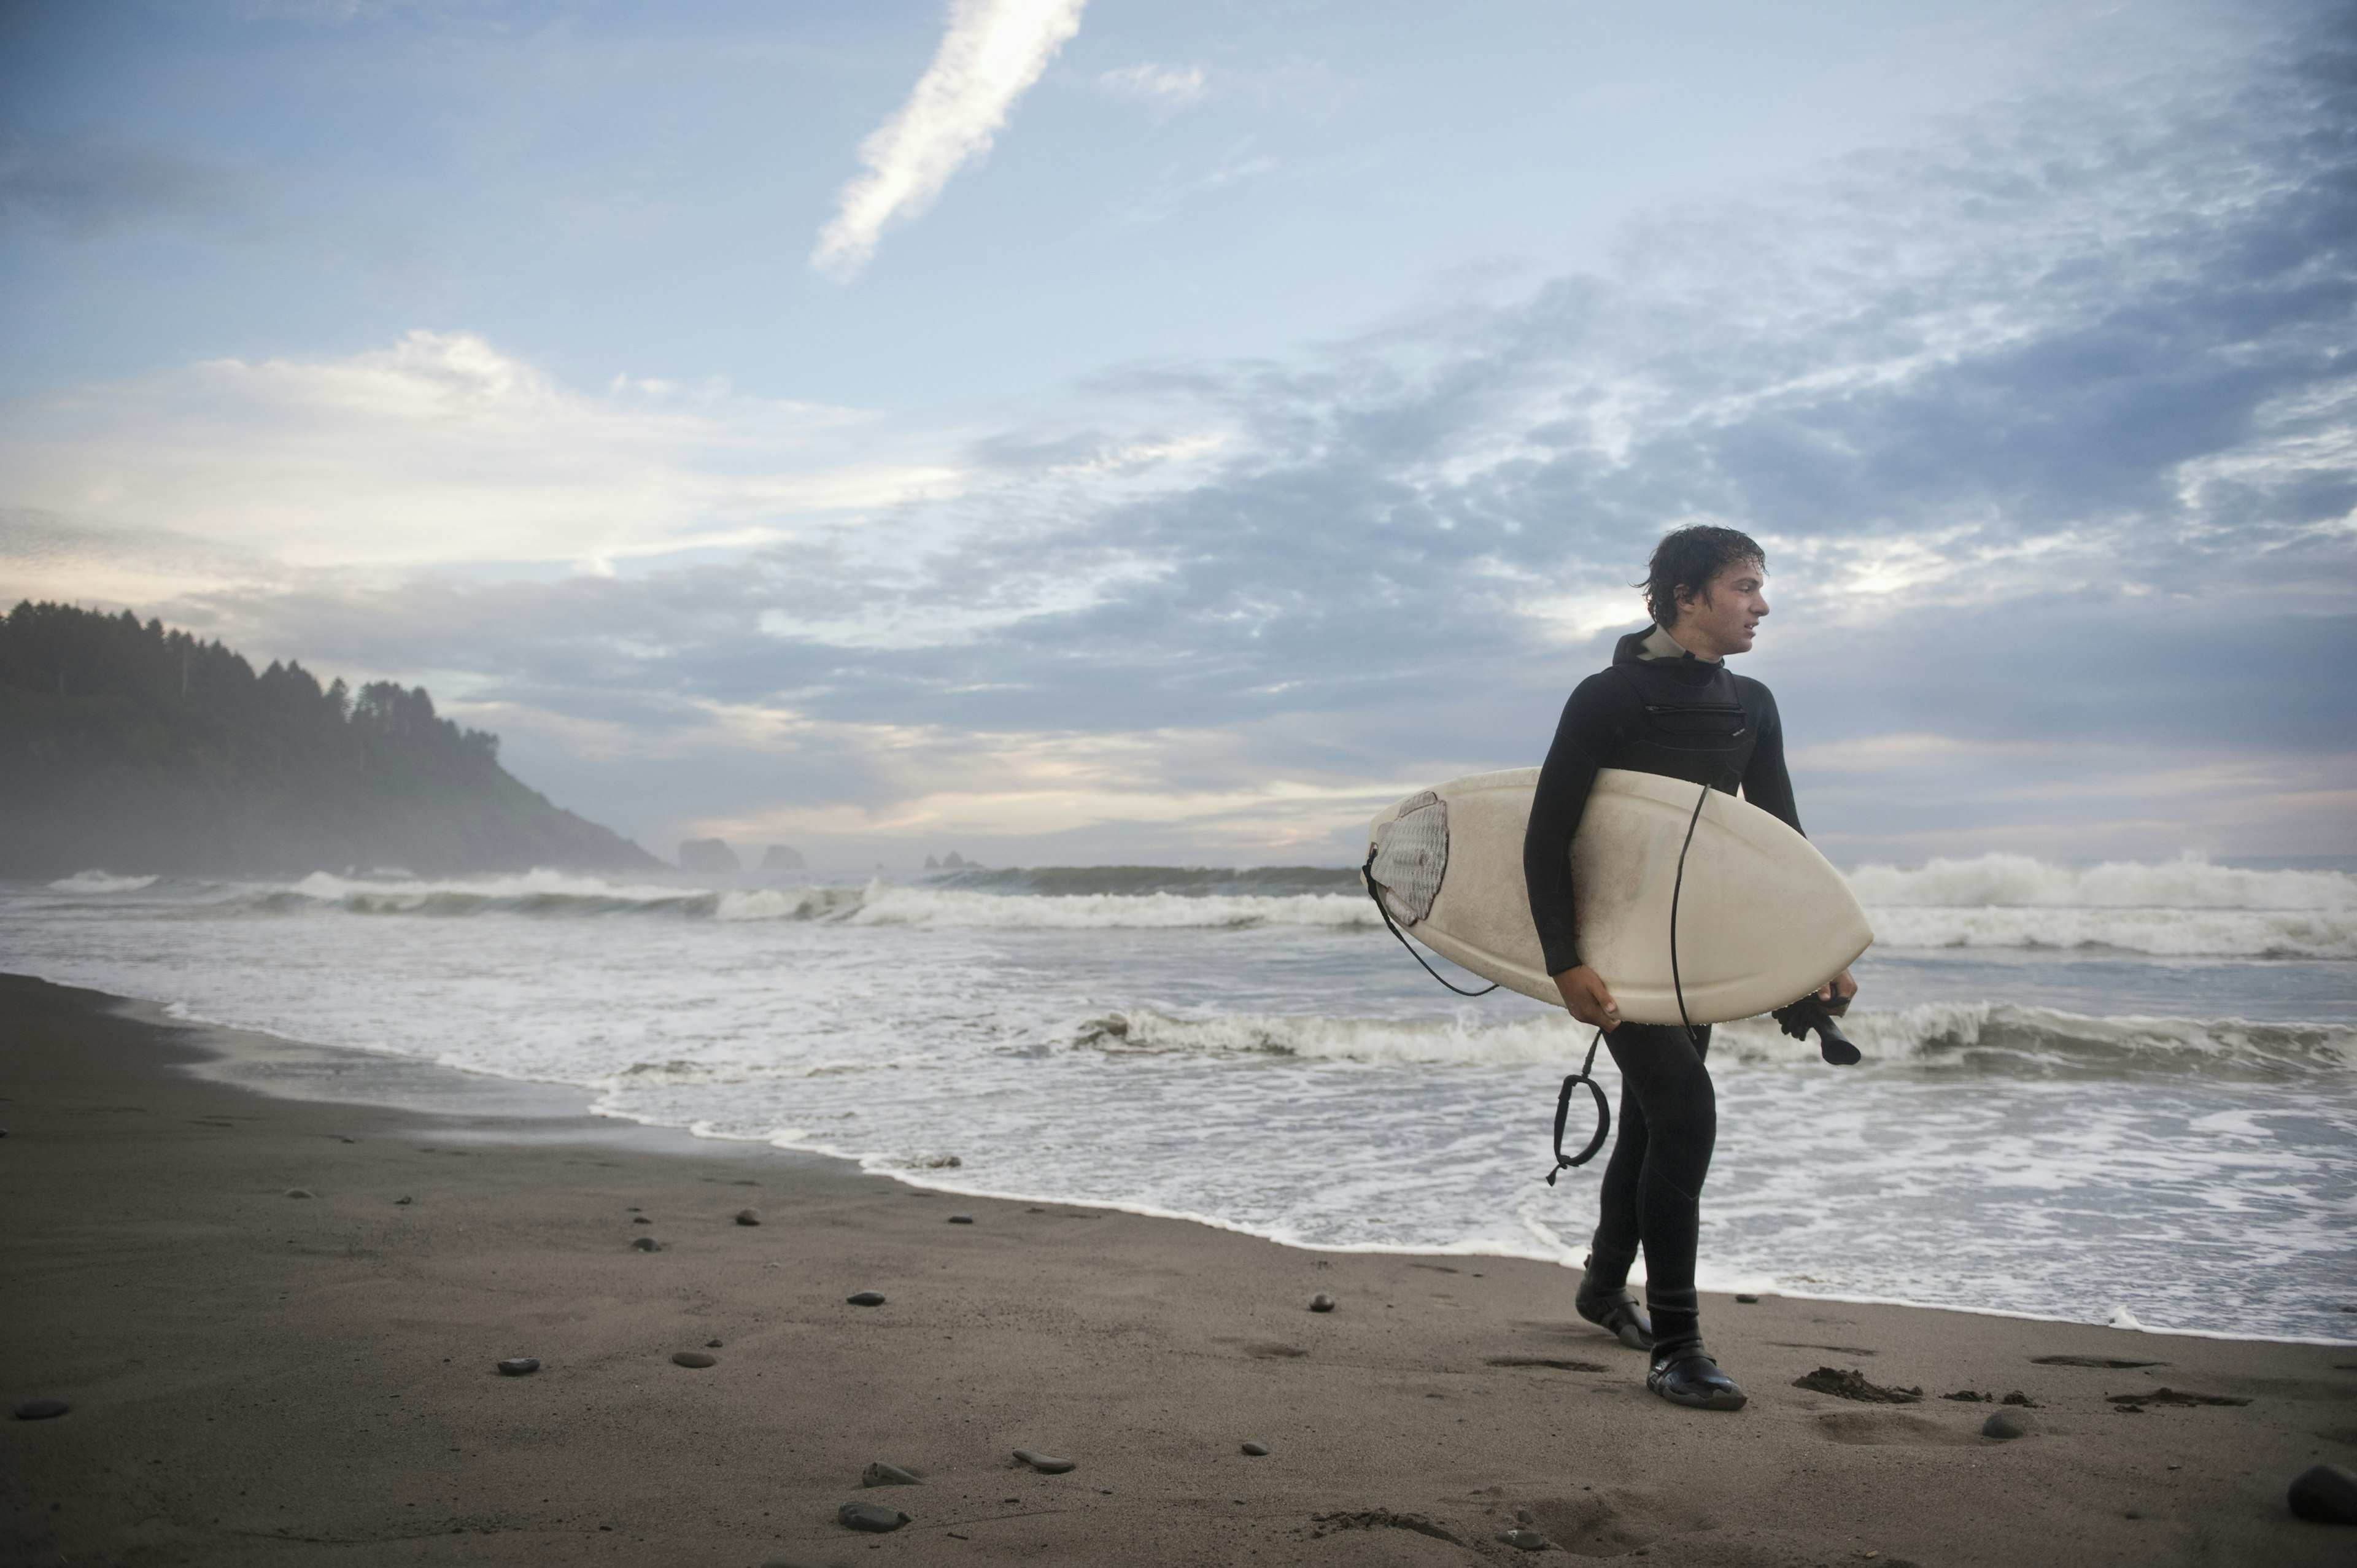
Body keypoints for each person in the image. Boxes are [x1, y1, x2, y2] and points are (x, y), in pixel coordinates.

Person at [1521, 525, 1857, 1412]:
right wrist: (1566, 963)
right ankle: (1677, 1344)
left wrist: (1817, 953)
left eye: (1759, 586)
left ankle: (1602, 1285)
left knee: (1656, 1114)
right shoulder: (1607, 698)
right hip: (1618, 949)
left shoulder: (1753, 704)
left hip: (1693, 947)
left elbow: (1780, 842)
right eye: (1745, 586)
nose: (1762, 603)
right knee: (1686, 1108)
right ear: (1685, 599)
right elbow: (1545, 834)